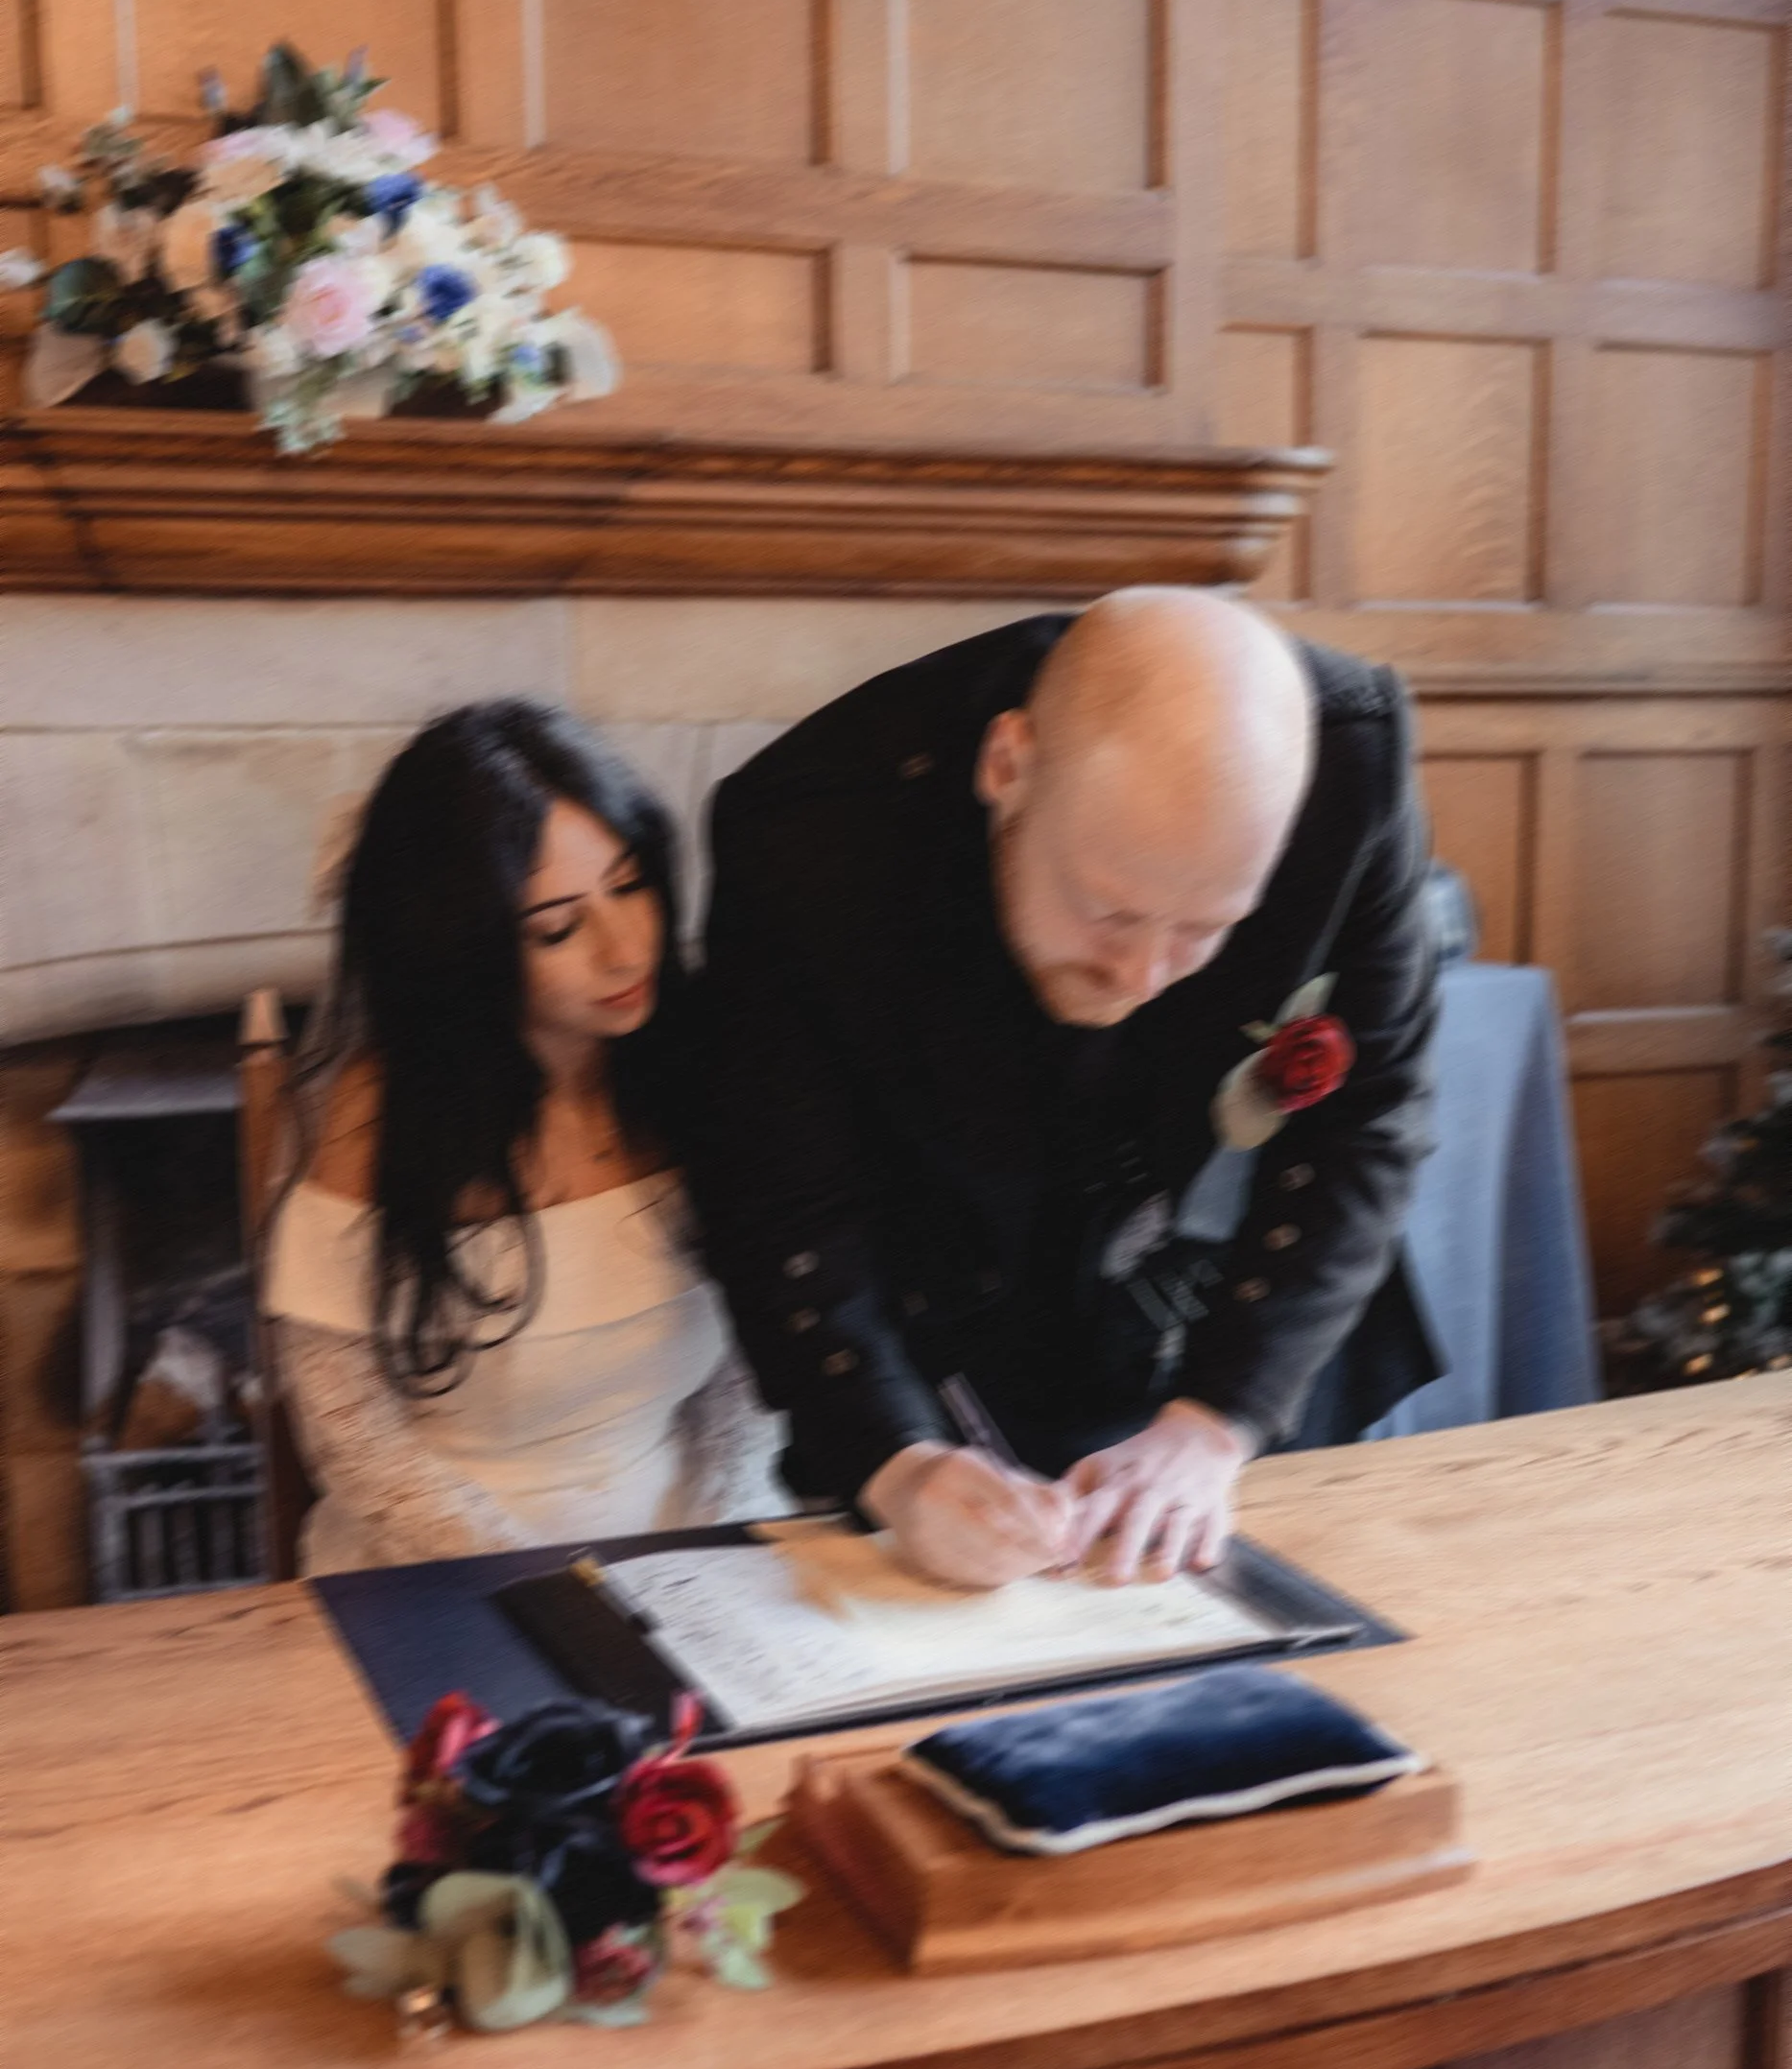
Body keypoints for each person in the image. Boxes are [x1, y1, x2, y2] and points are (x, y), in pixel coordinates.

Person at [698, 588, 1439, 1592]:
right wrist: (895, 1459)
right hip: (951, 1299)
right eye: (1109, 913)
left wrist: (1215, 1424)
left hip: (1237, 1310)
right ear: (1008, 765)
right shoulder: (812, 833)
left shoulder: (1351, 764)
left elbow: (1368, 1115)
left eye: (1203, 930)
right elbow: (783, 1189)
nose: (1142, 976)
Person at [266, 700, 781, 1572]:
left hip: (694, 1540)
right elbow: (346, 1422)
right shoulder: (375, 1115)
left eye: (630, 886)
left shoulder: (703, 1071)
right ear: (458, 950)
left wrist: (714, 1533)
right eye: (558, 928)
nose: (625, 952)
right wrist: (544, 1588)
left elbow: (750, 1358)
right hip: (440, 1563)